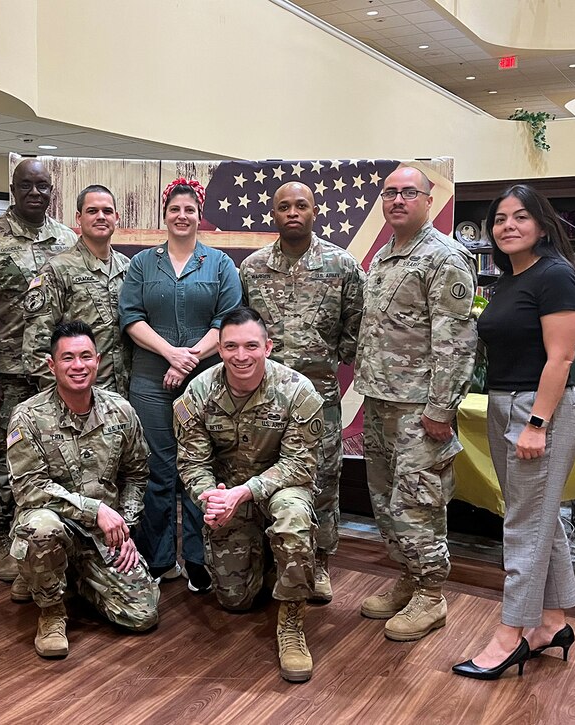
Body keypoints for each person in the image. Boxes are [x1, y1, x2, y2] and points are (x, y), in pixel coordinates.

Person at [452, 185, 575, 680]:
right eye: (500, 218)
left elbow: (562, 358)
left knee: (524, 528)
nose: (507, 226)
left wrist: (537, 424)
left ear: (543, 225)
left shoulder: (555, 277)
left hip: (536, 408)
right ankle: (551, 621)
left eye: (520, 217)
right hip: (504, 404)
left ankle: (511, 634)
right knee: (538, 520)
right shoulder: (512, 278)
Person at [355, 165, 478, 642]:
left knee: (419, 501)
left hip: (419, 409)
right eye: (390, 193)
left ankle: (432, 593)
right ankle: (408, 574)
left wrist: (441, 408)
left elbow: (456, 341)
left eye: (409, 193)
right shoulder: (385, 257)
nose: (398, 200)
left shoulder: (444, 258)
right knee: (386, 499)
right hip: (381, 399)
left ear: (429, 201)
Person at [175, 307, 323, 682]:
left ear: (268, 347)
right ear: (220, 350)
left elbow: (299, 466)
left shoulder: (297, 391)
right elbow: (192, 463)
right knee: (235, 602)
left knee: (292, 516)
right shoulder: (199, 392)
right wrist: (210, 499)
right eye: (231, 347)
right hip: (228, 499)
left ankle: (291, 621)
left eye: (251, 346)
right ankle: (275, 564)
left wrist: (246, 491)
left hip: (279, 490)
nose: (241, 356)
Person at [239, 181, 364, 603]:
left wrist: (326, 363)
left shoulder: (341, 265)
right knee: (265, 471)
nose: (292, 212)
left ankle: (321, 561)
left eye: (301, 205)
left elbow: (355, 330)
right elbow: (245, 332)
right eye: (283, 207)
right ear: (272, 215)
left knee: (324, 477)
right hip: (263, 397)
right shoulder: (252, 268)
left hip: (320, 397)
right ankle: (272, 559)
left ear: (315, 212)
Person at [6, 321, 159, 658]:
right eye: (68, 358)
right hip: (57, 522)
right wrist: (97, 510)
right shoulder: (28, 417)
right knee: (41, 528)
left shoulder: (120, 410)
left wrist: (126, 527)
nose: (78, 366)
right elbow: (30, 489)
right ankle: (50, 610)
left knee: (142, 615)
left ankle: (68, 575)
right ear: (52, 365)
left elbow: (136, 474)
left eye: (86, 356)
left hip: (104, 533)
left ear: (98, 360)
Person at [117, 177, 241, 590]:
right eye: (175, 209)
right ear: (165, 216)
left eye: (189, 209)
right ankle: (158, 558)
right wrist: (171, 354)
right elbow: (131, 318)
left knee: (198, 468)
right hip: (151, 380)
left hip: (205, 380)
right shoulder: (142, 264)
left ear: (198, 216)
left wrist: (188, 359)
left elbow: (227, 320)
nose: (182, 216)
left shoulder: (220, 264)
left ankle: (198, 558)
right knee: (158, 470)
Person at [0, 159, 76, 587]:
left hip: (53, 372)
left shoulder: (66, 239)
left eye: (42, 186)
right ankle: (0, 534)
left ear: (52, 190)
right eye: (26, 185)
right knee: (3, 454)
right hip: (5, 372)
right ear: (13, 189)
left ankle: (47, 532)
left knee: (54, 453)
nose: (35, 193)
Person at [24, 184, 131, 395]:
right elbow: (36, 345)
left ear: (116, 218)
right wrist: (61, 396)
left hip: (122, 395)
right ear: (78, 218)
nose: (101, 216)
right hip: (77, 395)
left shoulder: (128, 268)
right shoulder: (57, 270)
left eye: (107, 211)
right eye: (92, 211)